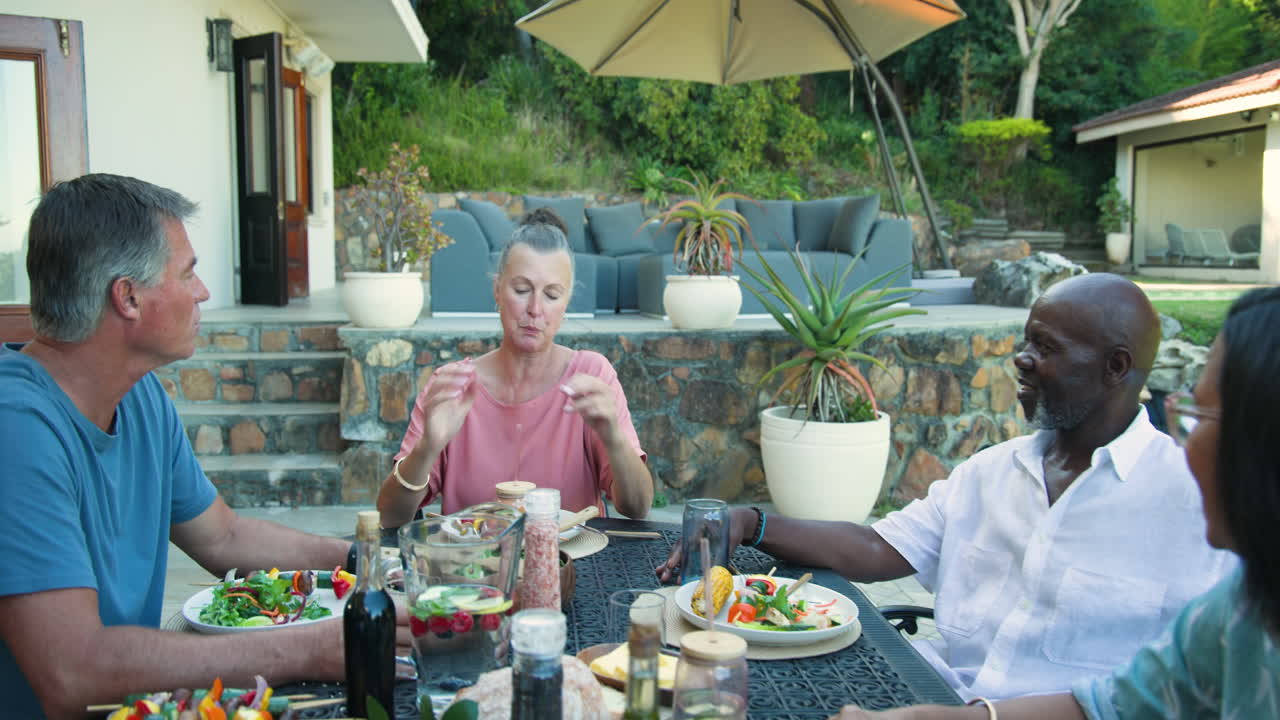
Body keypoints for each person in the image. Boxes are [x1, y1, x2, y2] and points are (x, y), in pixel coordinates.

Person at [657, 273, 1234, 701]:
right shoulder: (993, 472)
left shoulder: (1197, 506)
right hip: (932, 695)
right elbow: (878, 548)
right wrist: (753, 521)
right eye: (1026, 342)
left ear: (1116, 367)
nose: (1021, 360)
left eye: (1046, 347)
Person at [0, 174, 407, 719]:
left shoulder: (139, 396)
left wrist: (372, 562)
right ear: (128, 297)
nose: (204, 292)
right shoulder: (16, 428)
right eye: (187, 272)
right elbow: (72, 671)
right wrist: (306, 648)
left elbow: (223, 536)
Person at [830, 285, 1280, 719]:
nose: (1187, 443)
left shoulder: (1184, 503)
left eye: (1198, 418)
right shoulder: (1238, 611)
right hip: (939, 689)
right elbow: (1113, 705)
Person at [377, 208, 653, 526]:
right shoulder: (455, 385)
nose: (535, 309)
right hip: (475, 558)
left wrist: (614, 438)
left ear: (566, 303)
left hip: (570, 558)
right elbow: (390, 516)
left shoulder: (590, 375)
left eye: (552, 295)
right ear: (497, 290)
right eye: (521, 290)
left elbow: (637, 507)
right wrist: (427, 448)